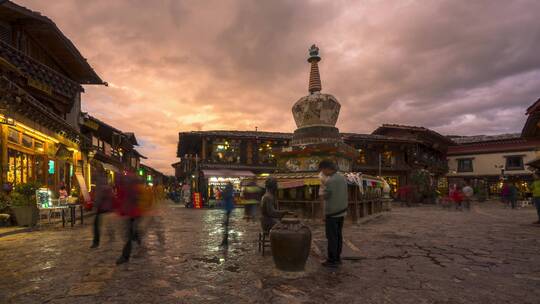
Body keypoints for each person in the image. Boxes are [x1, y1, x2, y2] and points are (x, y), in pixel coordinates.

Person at [319, 159, 348, 268]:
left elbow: (325, 195)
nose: (322, 172)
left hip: (332, 213)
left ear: (327, 169)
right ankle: (337, 257)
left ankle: (332, 260)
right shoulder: (342, 177)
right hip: (342, 212)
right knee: (338, 236)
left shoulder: (330, 181)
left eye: (322, 170)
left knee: (331, 237)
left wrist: (322, 189)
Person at [115, 173, 142, 265]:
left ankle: (125, 256)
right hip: (131, 213)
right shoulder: (133, 187)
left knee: (127, 235)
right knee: (129, 234)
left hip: (129, 213)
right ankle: (136, 239)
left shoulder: (128, 188)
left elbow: (126, 200)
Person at [90, 170, 114, 248]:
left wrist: (95, 206)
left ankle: (96, 242)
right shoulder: (107, 186)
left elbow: (99, 197)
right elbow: (111, 197)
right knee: (107, 223)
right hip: (107, 208)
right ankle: (111, 235)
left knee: (97, 225)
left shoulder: (100, 186)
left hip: (101, 207)